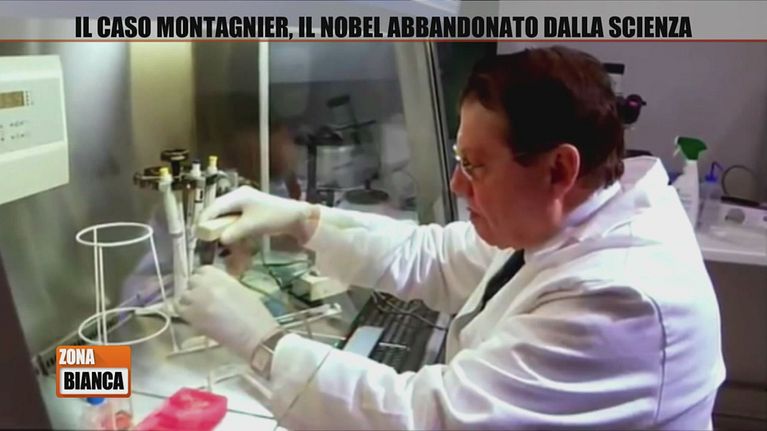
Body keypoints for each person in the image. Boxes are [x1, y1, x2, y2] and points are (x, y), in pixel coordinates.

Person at [177, 46, 725, 430]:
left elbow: (431, 419)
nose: (458, 184)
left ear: (559, 168)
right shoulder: (573, 216)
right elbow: (437, 256)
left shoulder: (620, 298)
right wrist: (301, 219)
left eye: (476, 165)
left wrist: (265, 343)